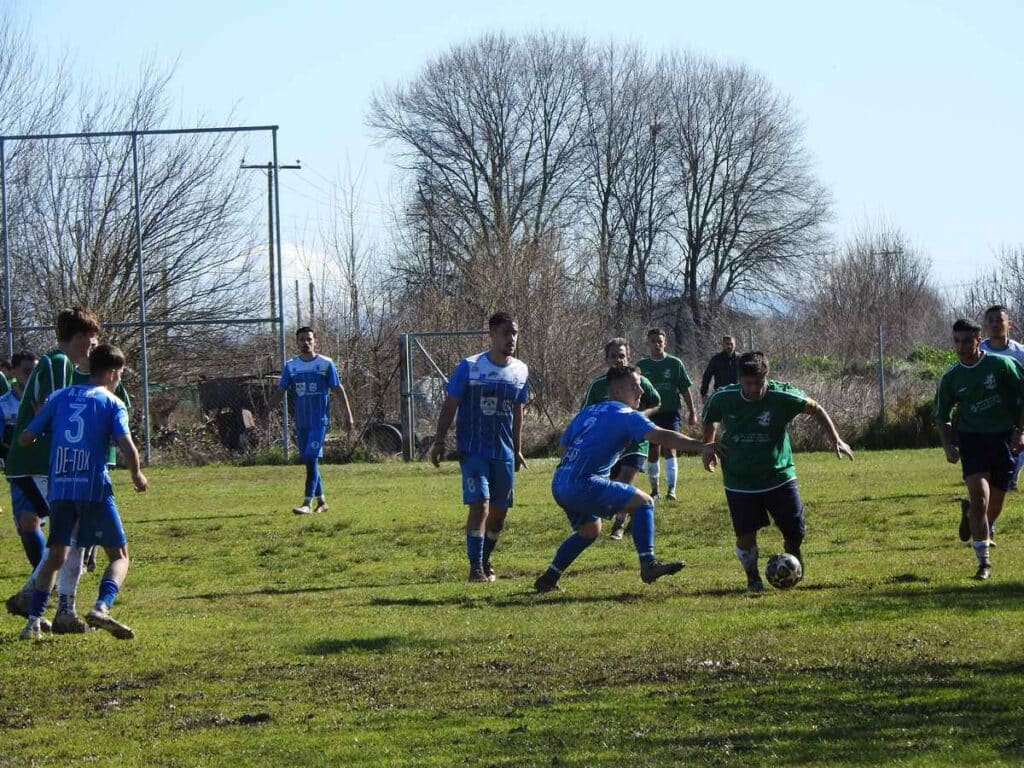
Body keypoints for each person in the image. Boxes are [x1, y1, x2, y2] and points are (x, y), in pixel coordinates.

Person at [534, 365, 713, 593]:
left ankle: (549, 578)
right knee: (644, 502)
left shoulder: (589, 411)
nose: (641, 391)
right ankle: (648, 564)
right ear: (618, 392)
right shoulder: (625, 414)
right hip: (583, 483)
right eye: (635, 386)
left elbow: (564, 445)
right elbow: (662, 436)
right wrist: (702, 446)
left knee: (590, 529)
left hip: (559, 482)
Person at [18, 344, 148, 640]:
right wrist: (137, 474)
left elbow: (26, 437)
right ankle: (101, 607)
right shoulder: (112, 402)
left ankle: (33, 623)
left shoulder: (60, 397)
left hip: (61, 486)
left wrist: (46, 430)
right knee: (119, 556)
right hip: (93, 487)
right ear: (115, 372)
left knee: (55, 556)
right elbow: (126, 445)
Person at [702, 351, 854, 592]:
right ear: (740, 379)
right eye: (748, 383)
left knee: (795, 532)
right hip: (739, 478)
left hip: (779, 475)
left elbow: (817, 409)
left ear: (767, 377)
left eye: (759, 383)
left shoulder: (783, 395)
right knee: (745, 535)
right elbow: (709, 418)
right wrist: (709, 445)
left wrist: (835, 439)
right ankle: (753, 579)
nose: (754, 389)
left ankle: (793, 568)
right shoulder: (723, 397)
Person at [4, 307, 100, 633]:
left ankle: (41, 601)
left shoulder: (56, 363)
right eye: (91, 338)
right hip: (37, 464)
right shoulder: (59, 364)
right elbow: (51, 411)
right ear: (77, 337)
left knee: (68, 533)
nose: (95, 344)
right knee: (72, 533)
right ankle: (50, 605)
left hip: (30, 464)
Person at [430, 312, 529, 583]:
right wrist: (439, 440)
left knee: (498, 515)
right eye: (506, 333)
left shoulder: (520, 370)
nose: (511, 339)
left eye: (515, 333)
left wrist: (518, 448)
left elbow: (518, 411)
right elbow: (450, 404)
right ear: (492, 335)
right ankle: (475, 568)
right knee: (481, 506)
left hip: (504, 453)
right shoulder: (470, 367)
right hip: (473, 450)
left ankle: (485, 559)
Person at [935, 319, 1024, 581]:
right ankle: (983, 563)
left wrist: (1020, 431)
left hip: (1002, 439)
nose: (960, 347)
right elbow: (942, 415)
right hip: (972, 439)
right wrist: (948, 445)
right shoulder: (951, 377)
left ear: (978, 339)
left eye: (965, 341)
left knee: (992, 507)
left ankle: (971, 515)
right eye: (956, 341)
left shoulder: (1001, 365)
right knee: (980, 498)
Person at [581, 338, 661, 540]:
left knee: (625, 476)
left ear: (628, 357)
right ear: (606, 359)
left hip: (636, 438)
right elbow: (586, 414)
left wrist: (645, 414)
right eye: (614, 356)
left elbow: (657, 402)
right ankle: (638, 507)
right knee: (616, 483)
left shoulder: (641, 381)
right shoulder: (599, 386)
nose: (618, 360)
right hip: (611, 442)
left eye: (622, 356)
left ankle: (618, 524)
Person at [278, 326, 353, 515]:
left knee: (311, 458)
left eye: (309, 339)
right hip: (301, 422)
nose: (306, 343)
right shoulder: (291, 366)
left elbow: (338, 389)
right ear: (296, 342)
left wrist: (348, 415)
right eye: (302, 340)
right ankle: (322, 502)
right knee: (310, 462)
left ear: (315, 341)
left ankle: (306, 503)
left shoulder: (326, 364)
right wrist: (266, 410)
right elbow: (281, 390)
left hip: (319, 421)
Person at [637, 328, 697, 500]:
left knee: (670, 449)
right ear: (648, 344)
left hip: (670, 413)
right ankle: (655, 490)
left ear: (665, 343)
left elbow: (684, 388)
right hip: (650, 414)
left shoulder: (675, 363)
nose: (657, 344)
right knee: (653, 451)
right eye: (653, 341)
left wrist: (692, 411)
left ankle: (672, 489)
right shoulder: (642, 365)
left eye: (660, 341)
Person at [978, 305, 1024, 495]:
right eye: (991, 320)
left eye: (1000, 320)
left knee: (1018, 448)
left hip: (1015, 413)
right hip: (987, 413)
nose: (996, 324)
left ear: (1009, 324)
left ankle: (1010, 477)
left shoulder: (1020, 353)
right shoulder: (978, 351)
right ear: (986, 325)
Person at [0, 351, 39, 462]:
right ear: (13, 372)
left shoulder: (45, 401)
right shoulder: (3, 405)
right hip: (17, 468)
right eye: (27, 371)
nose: (32, 376)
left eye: (35, 372)